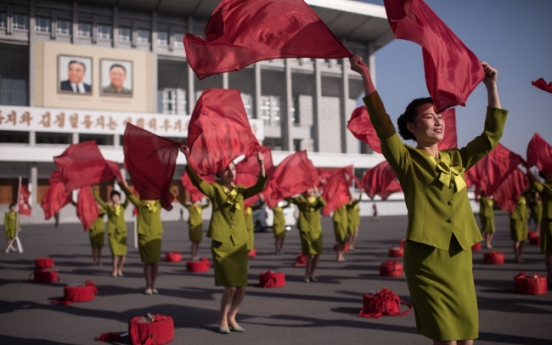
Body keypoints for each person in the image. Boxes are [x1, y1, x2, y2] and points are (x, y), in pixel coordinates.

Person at [350, 55, 506, 345]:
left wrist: (491, 86)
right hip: (426, 258)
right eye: (428, 116)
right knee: (445, 338)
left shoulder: (456, 159)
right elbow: (383, 125)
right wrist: (364, 75)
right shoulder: (406, 159)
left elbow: (490, 137)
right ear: (411, 127)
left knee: (467, 336)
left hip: (459, 255)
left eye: (439, 116)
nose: (437, 121)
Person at [186, 150, 267, 334]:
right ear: (219, 174)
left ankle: (232, 317)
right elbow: (197, 181)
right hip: (222, 243)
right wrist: (188, 158)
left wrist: (261, 164)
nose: (231, 171)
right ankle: (222, 318)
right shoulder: (215, 190)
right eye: (227, 169)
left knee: (242, 286)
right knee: (230, 286)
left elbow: (260, 185)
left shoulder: (240, 192)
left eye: (233, 168)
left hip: (239, 243)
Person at [119, 181, 164, 295]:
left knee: (155, 263)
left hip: (156, 236)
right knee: (147, 263)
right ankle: (148, 286)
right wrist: (122, 184)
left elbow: (167, 191)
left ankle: (153, 285)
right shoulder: (140, 204)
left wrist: (168, 176)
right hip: (144, 236)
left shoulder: (158, 203)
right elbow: (129, 194)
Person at [287, 187, 326, 282]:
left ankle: (312, 274)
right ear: (304, 190)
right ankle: (307, 274)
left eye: (312, 189)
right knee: (310, 254)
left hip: (316, 230)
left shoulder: (317, 200)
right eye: (309, 189)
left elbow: (324, 204)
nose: (311, 191)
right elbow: (288, 199)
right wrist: (289, 190)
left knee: (317, 253)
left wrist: (318, 193)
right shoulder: (300, 200)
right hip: (305, 229)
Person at [93, 188, 129, 277]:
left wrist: (126, 188)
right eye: (114, 196)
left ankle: (119, 269)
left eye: (117, 196)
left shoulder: (122, 207)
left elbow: (129, 199)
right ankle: (114, 270)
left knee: (123, 255)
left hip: (122, 233)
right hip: (112, 233)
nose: (115, 198)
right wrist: (94, 191)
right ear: (111, 198)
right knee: (115, 254)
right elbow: (99, 201)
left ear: (119, 198)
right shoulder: (108, 207)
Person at [528, 170, 552, 284]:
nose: (547, 175)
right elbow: (534, 184)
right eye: (547, 174)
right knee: (550, 251)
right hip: (549, 221)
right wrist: (528, 171)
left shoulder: (545, 188)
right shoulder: (545, 188)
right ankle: (550, 275)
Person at [176, 196, 210, 261]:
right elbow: (182, 203)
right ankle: (193, 255)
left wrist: (207, 200)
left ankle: (196, 254)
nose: (194, 201)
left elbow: (207, 205)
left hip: (199, 226)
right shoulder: (190, 207)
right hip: (192, 226)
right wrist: (177, 196)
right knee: (194, 242)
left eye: (195, 200)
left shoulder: (200, 207)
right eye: (193, 200)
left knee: (198, 242)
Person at [510, 195, 528, 263]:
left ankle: (520, 255)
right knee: (517, 239)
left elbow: (530, 188)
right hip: (516, 219)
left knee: (523, 239)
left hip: (522, 219)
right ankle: (517, 257)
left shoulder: (523, 196)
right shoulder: (512, 195)